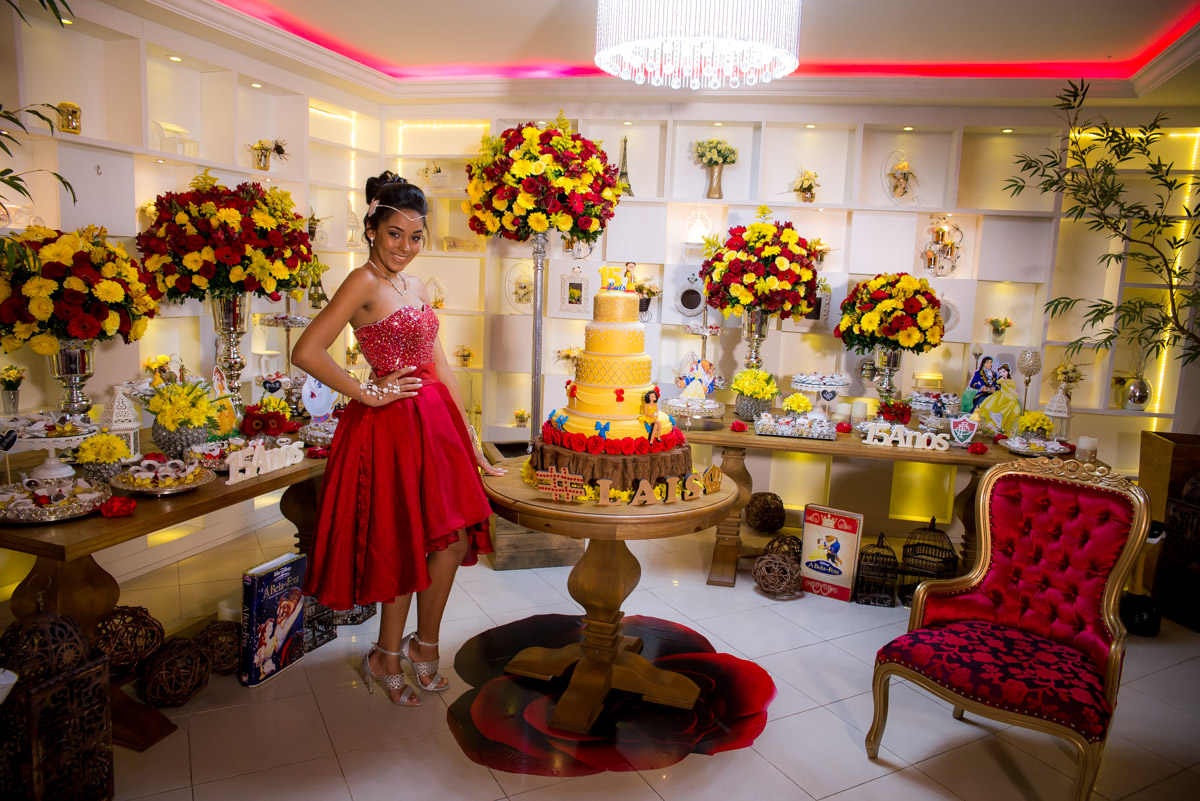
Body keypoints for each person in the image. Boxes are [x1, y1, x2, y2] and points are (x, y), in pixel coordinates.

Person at [293, 171, 505, 707]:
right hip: (388, 429)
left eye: (416, 237)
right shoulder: (361, 282)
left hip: (434, 426)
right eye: (394, 234)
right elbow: (308, 350)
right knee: (403, 542)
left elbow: (438, 365)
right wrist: (366, 393)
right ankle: (385, 653)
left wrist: (473, 441)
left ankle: (422, 646)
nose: (405, 248)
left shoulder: (415, 284)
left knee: (450, 540)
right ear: (372, 230)